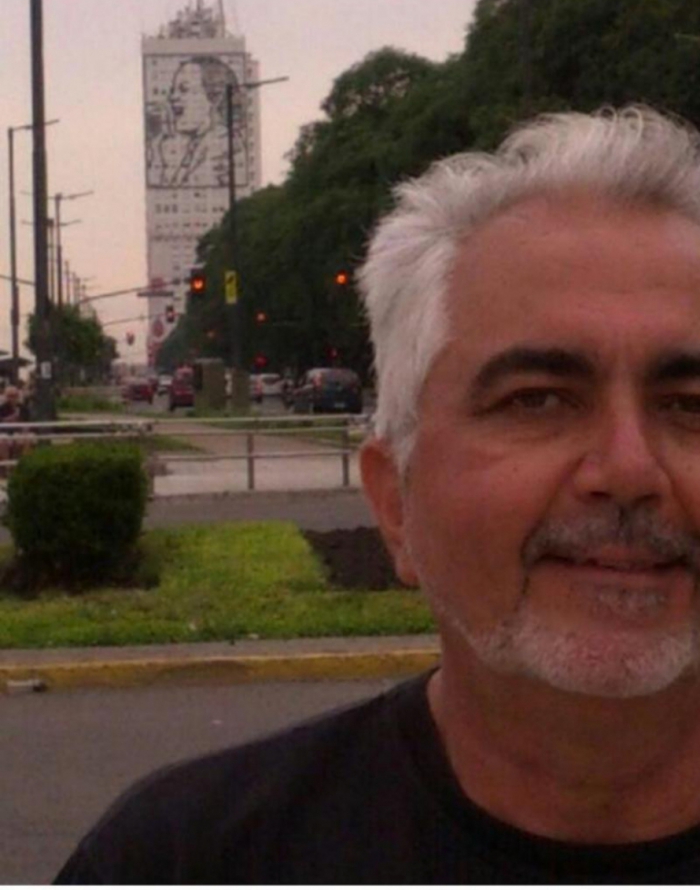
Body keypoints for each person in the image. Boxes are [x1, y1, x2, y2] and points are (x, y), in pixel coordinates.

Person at [55, 104, 700, 883]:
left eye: (689, 405)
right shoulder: (181, 860)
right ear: (396, 500)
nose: (629, 469)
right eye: (538, 399)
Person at [146, 55, 242, 188]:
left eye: (184, 89)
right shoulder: (172, 145)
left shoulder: (224, 145)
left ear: (214, 98)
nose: (173, 97)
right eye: (173, 91)